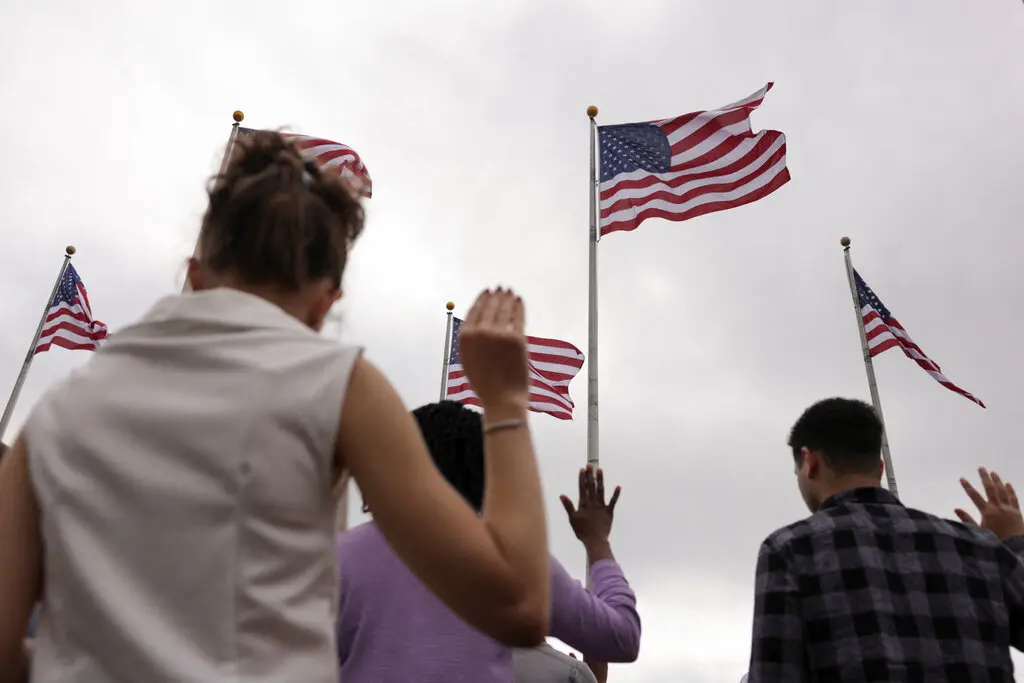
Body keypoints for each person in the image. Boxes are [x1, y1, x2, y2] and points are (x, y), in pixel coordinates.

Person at [0, 131, 552, 683]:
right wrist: (505, 402)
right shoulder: (340, 386)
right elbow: (519, 605)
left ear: (195, 275)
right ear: (324, 302)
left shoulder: (58, 409)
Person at [336, 400, 641, 683]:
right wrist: (597, 542)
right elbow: (621, 638)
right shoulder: (513, 560)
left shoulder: (338, 558)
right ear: (486, 475)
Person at [748, 397, 1024, 682]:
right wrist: (1013, 541)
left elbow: (774, 674)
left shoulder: (788, 549)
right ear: (879, 470)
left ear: (809, 462)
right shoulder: (980, 547)